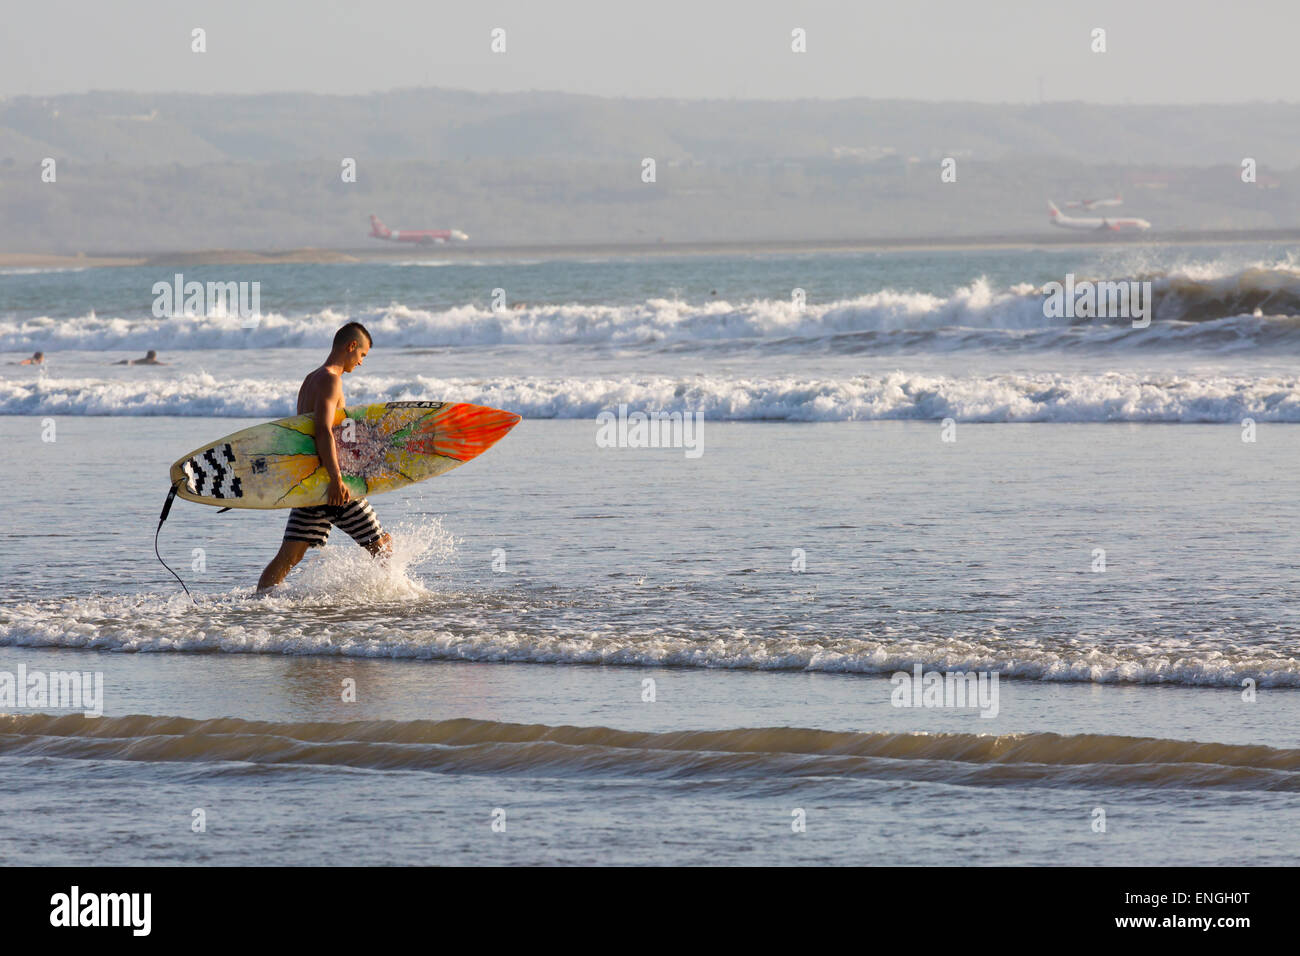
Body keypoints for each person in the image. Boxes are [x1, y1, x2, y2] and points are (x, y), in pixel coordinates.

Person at [257, 322, 392, 592]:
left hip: (312, 485)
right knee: (382, 548)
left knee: (288, 558)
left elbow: (304, 435)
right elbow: (322, 431)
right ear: (351, 346)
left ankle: (259, 606)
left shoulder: (311, 379)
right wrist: (337, 479)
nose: (362, 362)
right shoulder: (331, 380)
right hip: (334, 487)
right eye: (362, 355)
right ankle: (395, 601)